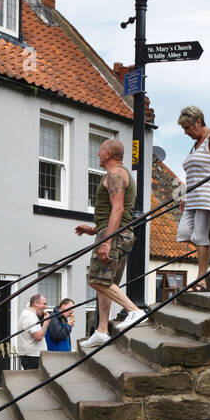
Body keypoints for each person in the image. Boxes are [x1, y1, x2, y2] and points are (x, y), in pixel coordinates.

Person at [75, 138, 146, 348]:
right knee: (105, 284)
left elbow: (118, 209)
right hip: (116, 233)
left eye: (100, 151)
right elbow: (114, 212)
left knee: (96, 279)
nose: (97, 154)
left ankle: (135, 312)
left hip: (113, 236)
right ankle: (102, 330)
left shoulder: (115, 174)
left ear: (108, 154)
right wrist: (94, 228)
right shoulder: (121, 174)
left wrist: (106, 241)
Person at [176, 106, 210, 291]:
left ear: (198, 122)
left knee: (200, 236)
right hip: (192, 198)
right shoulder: (196, 144)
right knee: (183, 232)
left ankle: (202, 279)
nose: (185, 132)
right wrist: (184, 195)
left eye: (187, 127)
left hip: (208, 196)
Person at [16, 293, 49, 369]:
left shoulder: (26, 314)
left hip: (30, 356)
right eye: (44, 304)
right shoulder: (30, 316)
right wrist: (46, 322)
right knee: (37, 380)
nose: (46, 307)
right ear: (36, 303)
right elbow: (39, 336)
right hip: (33, 357)